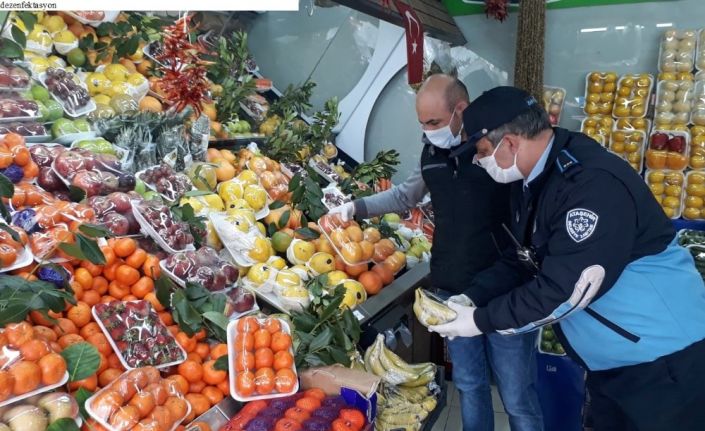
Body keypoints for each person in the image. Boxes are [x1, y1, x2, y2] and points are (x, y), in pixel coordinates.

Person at [430, 85, 705, 431]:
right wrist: (472, 296)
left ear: (510, 143)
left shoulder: (590, 184)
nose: (478, 161)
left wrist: (481, 320)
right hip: (613, 364)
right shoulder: (535, 181)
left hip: (663, 364)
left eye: (482, 151)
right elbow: (523, 259)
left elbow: (564, 289)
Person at [329, 75, 543, 431]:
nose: (428, 131)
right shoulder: (431, 153)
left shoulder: (497, 150)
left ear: (461, 110)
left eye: (434, 122)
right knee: (470, 385)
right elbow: (405, 196)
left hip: (505, 290)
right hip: (450, 288)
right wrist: (355, 207)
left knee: (517, 394)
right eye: (422, 124)